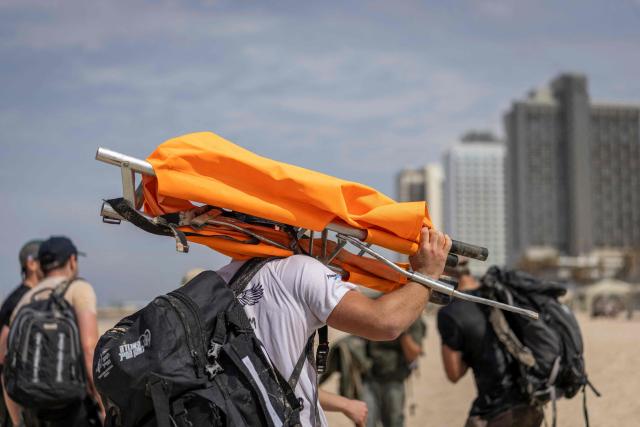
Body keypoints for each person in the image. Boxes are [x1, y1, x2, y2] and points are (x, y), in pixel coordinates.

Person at [216, 227, 451, 426]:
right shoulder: (300, 269)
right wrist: (427, 274)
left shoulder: (212, 285)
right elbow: (385, 322)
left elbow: (268, 379)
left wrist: (344, 404)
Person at [4, 236, 104, 427]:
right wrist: (105, 406)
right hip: (74, 407)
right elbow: (89, 348)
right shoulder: (79, 289)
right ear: (72, 261)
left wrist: (18, 421)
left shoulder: (25, 301)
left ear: (41, 265)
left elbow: (6, 361)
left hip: (34, 408)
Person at [437, 262, 543, 427]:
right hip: (532, 403)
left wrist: (470, 350)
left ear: (443, 270)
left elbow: (454, 373)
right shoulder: (500, 294)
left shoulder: (450, 313)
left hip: (494, 411)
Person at [0, 240, 43, 427]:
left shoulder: (27, 297)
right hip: (13, 401)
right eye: (46, 260)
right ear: (31, 264)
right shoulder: (21, 300)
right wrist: (18, 421)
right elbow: (3, 356)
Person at [361, 315, 426, 427]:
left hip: (394, 379)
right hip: (369, 378)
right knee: (366, 420)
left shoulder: (412, 317)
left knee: (394, 421)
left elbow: (413, 354)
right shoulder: (375, 309)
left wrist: (402, 331)